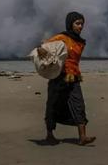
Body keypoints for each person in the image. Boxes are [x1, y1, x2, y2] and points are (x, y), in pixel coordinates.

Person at [37, 11, 96, 146]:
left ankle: (82, 137)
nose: (80, 26)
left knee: (79, 104)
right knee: (53, 104)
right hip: (59, 76)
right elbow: (44, 46)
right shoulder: (62, 37)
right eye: (77, 23)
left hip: (74, 76)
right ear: (70, 24)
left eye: (82, 24)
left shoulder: (80, 41)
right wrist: (42, 50)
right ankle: (49, 136)